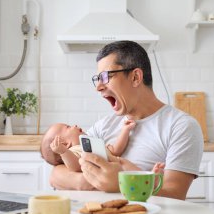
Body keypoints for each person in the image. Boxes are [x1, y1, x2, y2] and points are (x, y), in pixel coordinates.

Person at [49, 40, 204, 200]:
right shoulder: (103, 126)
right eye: (98, 78)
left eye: (105, 76)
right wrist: (95, 181)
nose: (99, 87)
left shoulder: (181, 126)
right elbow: (56, 175)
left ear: (135, 77)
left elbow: (175, 194)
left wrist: (120, 185)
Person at [40, 120, 136, 172]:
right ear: (65, 144)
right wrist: (64, 152)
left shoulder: (92, 143)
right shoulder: (75, 152)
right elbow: (76, 166)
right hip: (114, 174)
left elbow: (115, 150)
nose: (74, 125)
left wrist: (125, 130)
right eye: (68, 127)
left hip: (121, 165)